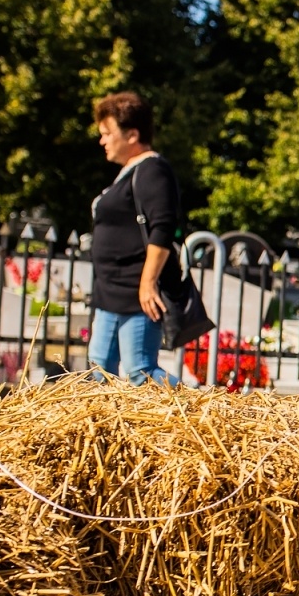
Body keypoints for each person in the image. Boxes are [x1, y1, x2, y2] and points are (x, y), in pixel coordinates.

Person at [87, 91, 183, 385]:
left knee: (140, 371)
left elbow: (163, 227)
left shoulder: (152, 169)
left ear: (132, 135)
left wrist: (147, 282)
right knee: (98, 372)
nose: (102, 140)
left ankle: (203, 411)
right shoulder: (128, 173)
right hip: (111, 292)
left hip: (135, 291)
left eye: (107, 133)